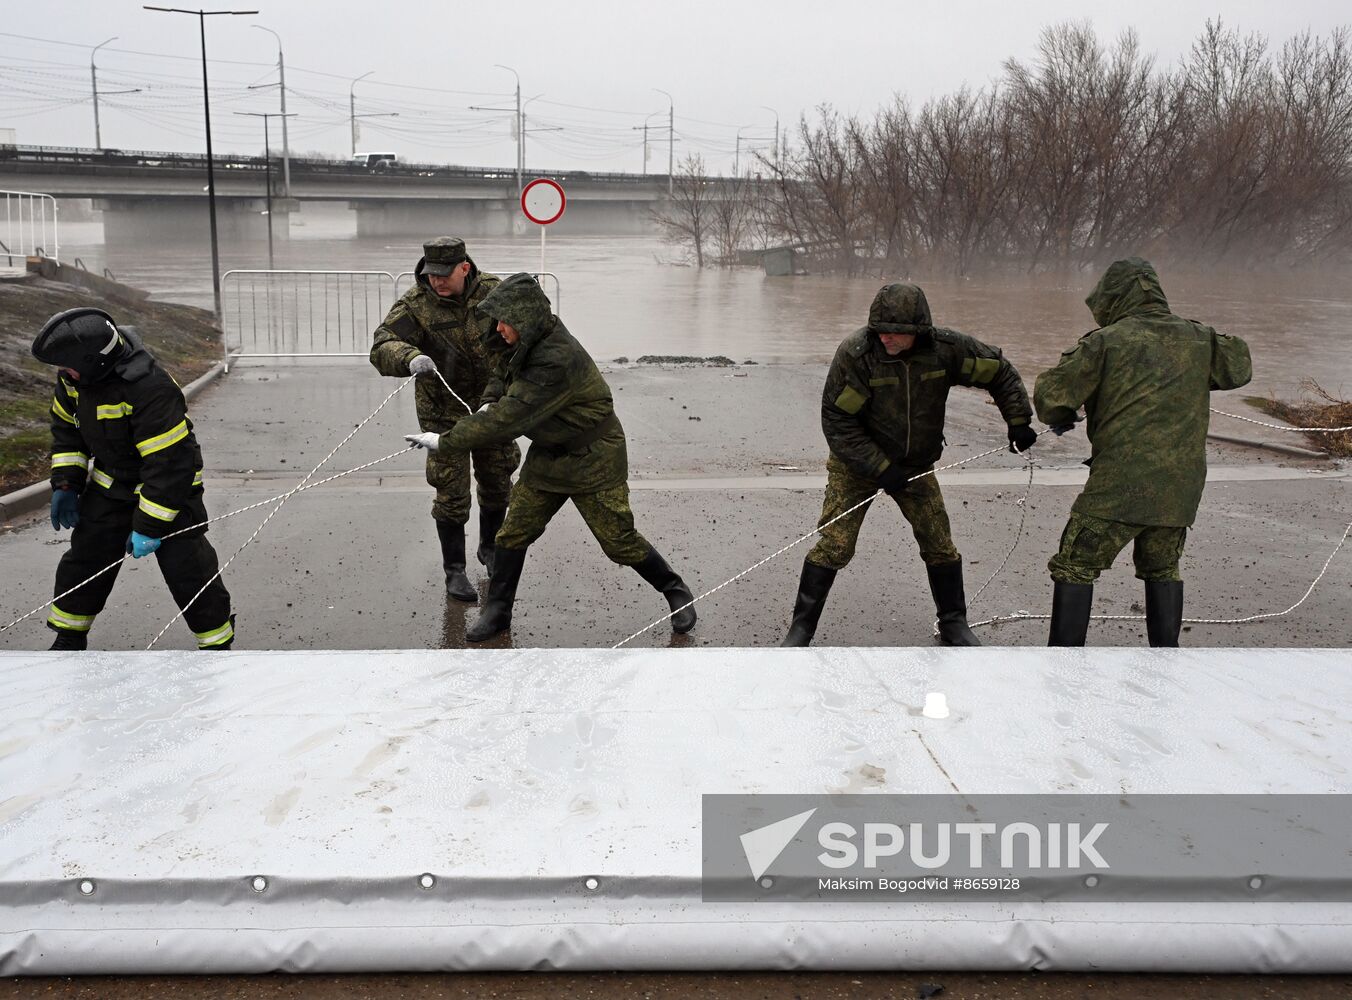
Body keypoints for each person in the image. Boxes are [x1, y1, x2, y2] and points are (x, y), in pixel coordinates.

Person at [404, 272, 698, 643]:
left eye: (504, 322)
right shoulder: (523, 340)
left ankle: (675, 591)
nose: (498, 328)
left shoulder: (555, 359)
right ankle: (497, 613)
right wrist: (487, 401)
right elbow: (500, 372)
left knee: (618, 541)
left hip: (593, 457)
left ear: (524, 320)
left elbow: (509, 419)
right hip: (549, 455)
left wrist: (444, 441)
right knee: (512, 535)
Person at [781, 282, 1036, 647]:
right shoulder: (857, 355)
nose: (885, 338)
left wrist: (1018, 421)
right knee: (835, 546)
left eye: (894, 332)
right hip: (856, 466)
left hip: (916, 466)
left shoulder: (947, 350)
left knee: (938, 542)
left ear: (917, 331)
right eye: (879, 330)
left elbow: (999, 372)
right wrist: (880, 468)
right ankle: (800, 630)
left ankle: (953, 623)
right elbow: (837, 421)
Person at [1034, 257, 1252, 647]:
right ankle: (1165, 659)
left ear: (1113, 298)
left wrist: (1077, 404)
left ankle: (1063, 664)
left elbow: (1051, 399)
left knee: (1075, 564)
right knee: (1163, 566)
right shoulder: (1200, 339)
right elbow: (1238, 368)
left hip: (1120, 483)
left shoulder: (1104, 342)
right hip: (1180, 487)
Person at [33, 308, 234, 651]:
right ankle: (69, 636)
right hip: (112, 484)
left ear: (94, 361)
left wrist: (149, 525)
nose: (63, 373)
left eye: (67, 367)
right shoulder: (75, 379)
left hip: (171, 490)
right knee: (85, 560)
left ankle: (217, 642)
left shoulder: (150, 388)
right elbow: (68, 432)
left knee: (187, 568)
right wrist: (66, 483)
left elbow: (169, 466)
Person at [370, 237, 519, 601]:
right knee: (451, 493)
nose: (436, 281)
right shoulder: (416, 304)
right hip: (443, 414)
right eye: (430, 273)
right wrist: (408, 357)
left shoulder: (494, 293)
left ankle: (490, 549)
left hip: (492, 406)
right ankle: (454, 570)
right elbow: (382, 344)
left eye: (444, 274)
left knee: (498, 480)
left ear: (464, 268)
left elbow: (524, 334)